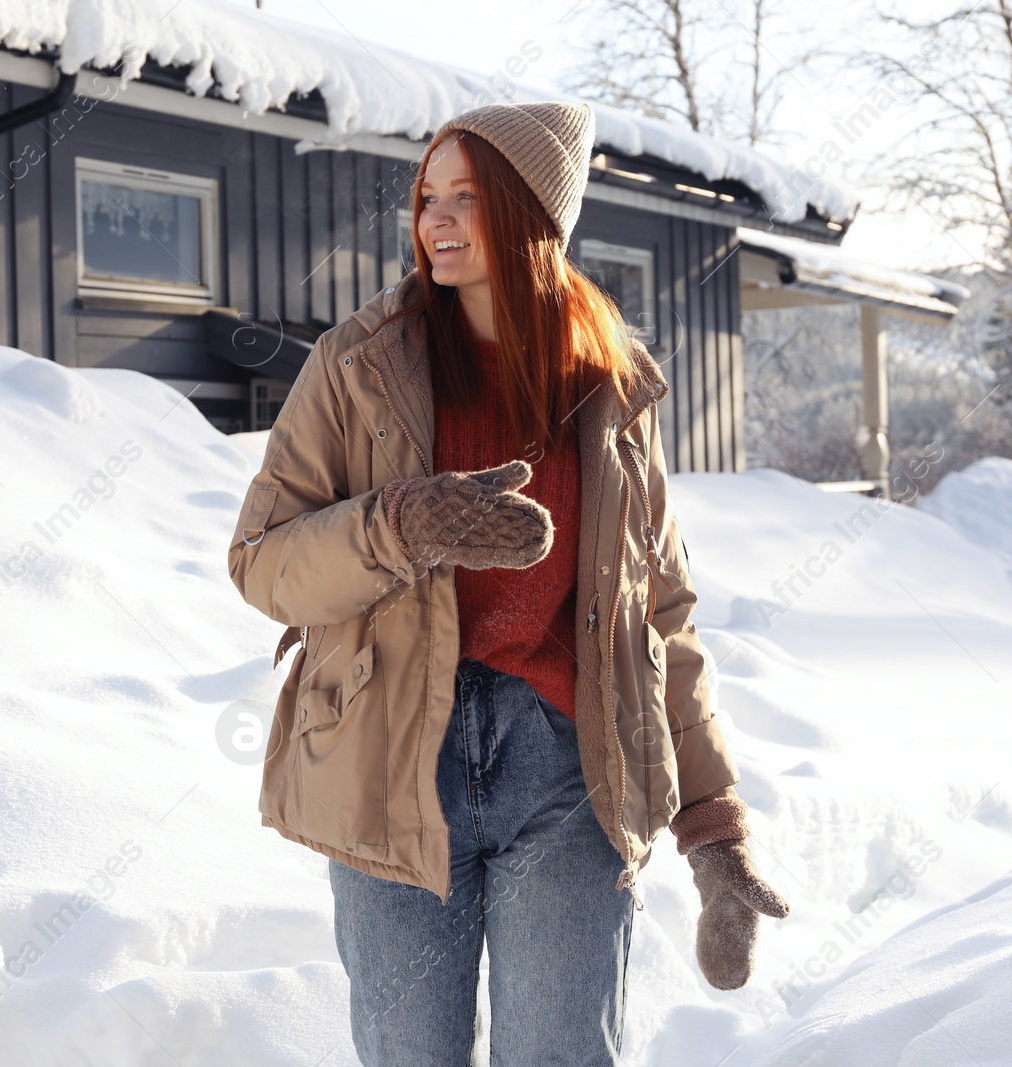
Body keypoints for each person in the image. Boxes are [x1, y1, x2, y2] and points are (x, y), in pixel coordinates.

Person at [227, 100, 788, 1066]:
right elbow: (264, 560)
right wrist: (398, 525)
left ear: (535, 214)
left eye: (468, 198)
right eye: (427, 197)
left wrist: (713, 827)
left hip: (568, 766)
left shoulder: (612, 388)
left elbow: (660, 615)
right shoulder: (358, 364)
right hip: (390, 758)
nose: (435, 220)